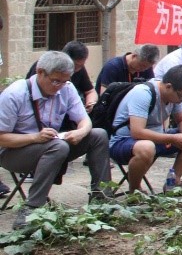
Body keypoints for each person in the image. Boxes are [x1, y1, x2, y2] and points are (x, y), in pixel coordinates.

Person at [0, 51, 112, 228]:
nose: (59, 86)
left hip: (52, 145)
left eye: (64, 81)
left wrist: (80, 132)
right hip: (14, 152)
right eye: (55, 81)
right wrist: (34, 138)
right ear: (40, 72)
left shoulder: (67, 89)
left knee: (98, 135)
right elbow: (1, 138)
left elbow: (85, 121)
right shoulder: (15, 94)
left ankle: (102, 199)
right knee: (58, 147)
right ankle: (32, 208)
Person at [108, 65, 182, 194]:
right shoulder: (143, 93)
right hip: (125, 142)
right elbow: (137, 132)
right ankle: (135, 190)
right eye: (181, 96)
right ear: (169, 86)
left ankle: (173, 181)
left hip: (157, 139)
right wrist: (173, 138)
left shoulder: (175, 96)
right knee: (147, 147)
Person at [26, 41, 98, 113]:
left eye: (64, 82)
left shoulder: (71, 84)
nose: (75, 70)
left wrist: (90, 104)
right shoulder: (45, 67)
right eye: (56, 81)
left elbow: (90, 91)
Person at [95, 44, 160, 94]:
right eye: (141, 65)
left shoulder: (147, 68)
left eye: (147, 67)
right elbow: (104, 93)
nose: (143, 69)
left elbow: (152, 88)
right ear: (134, 56)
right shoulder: (113, 66)